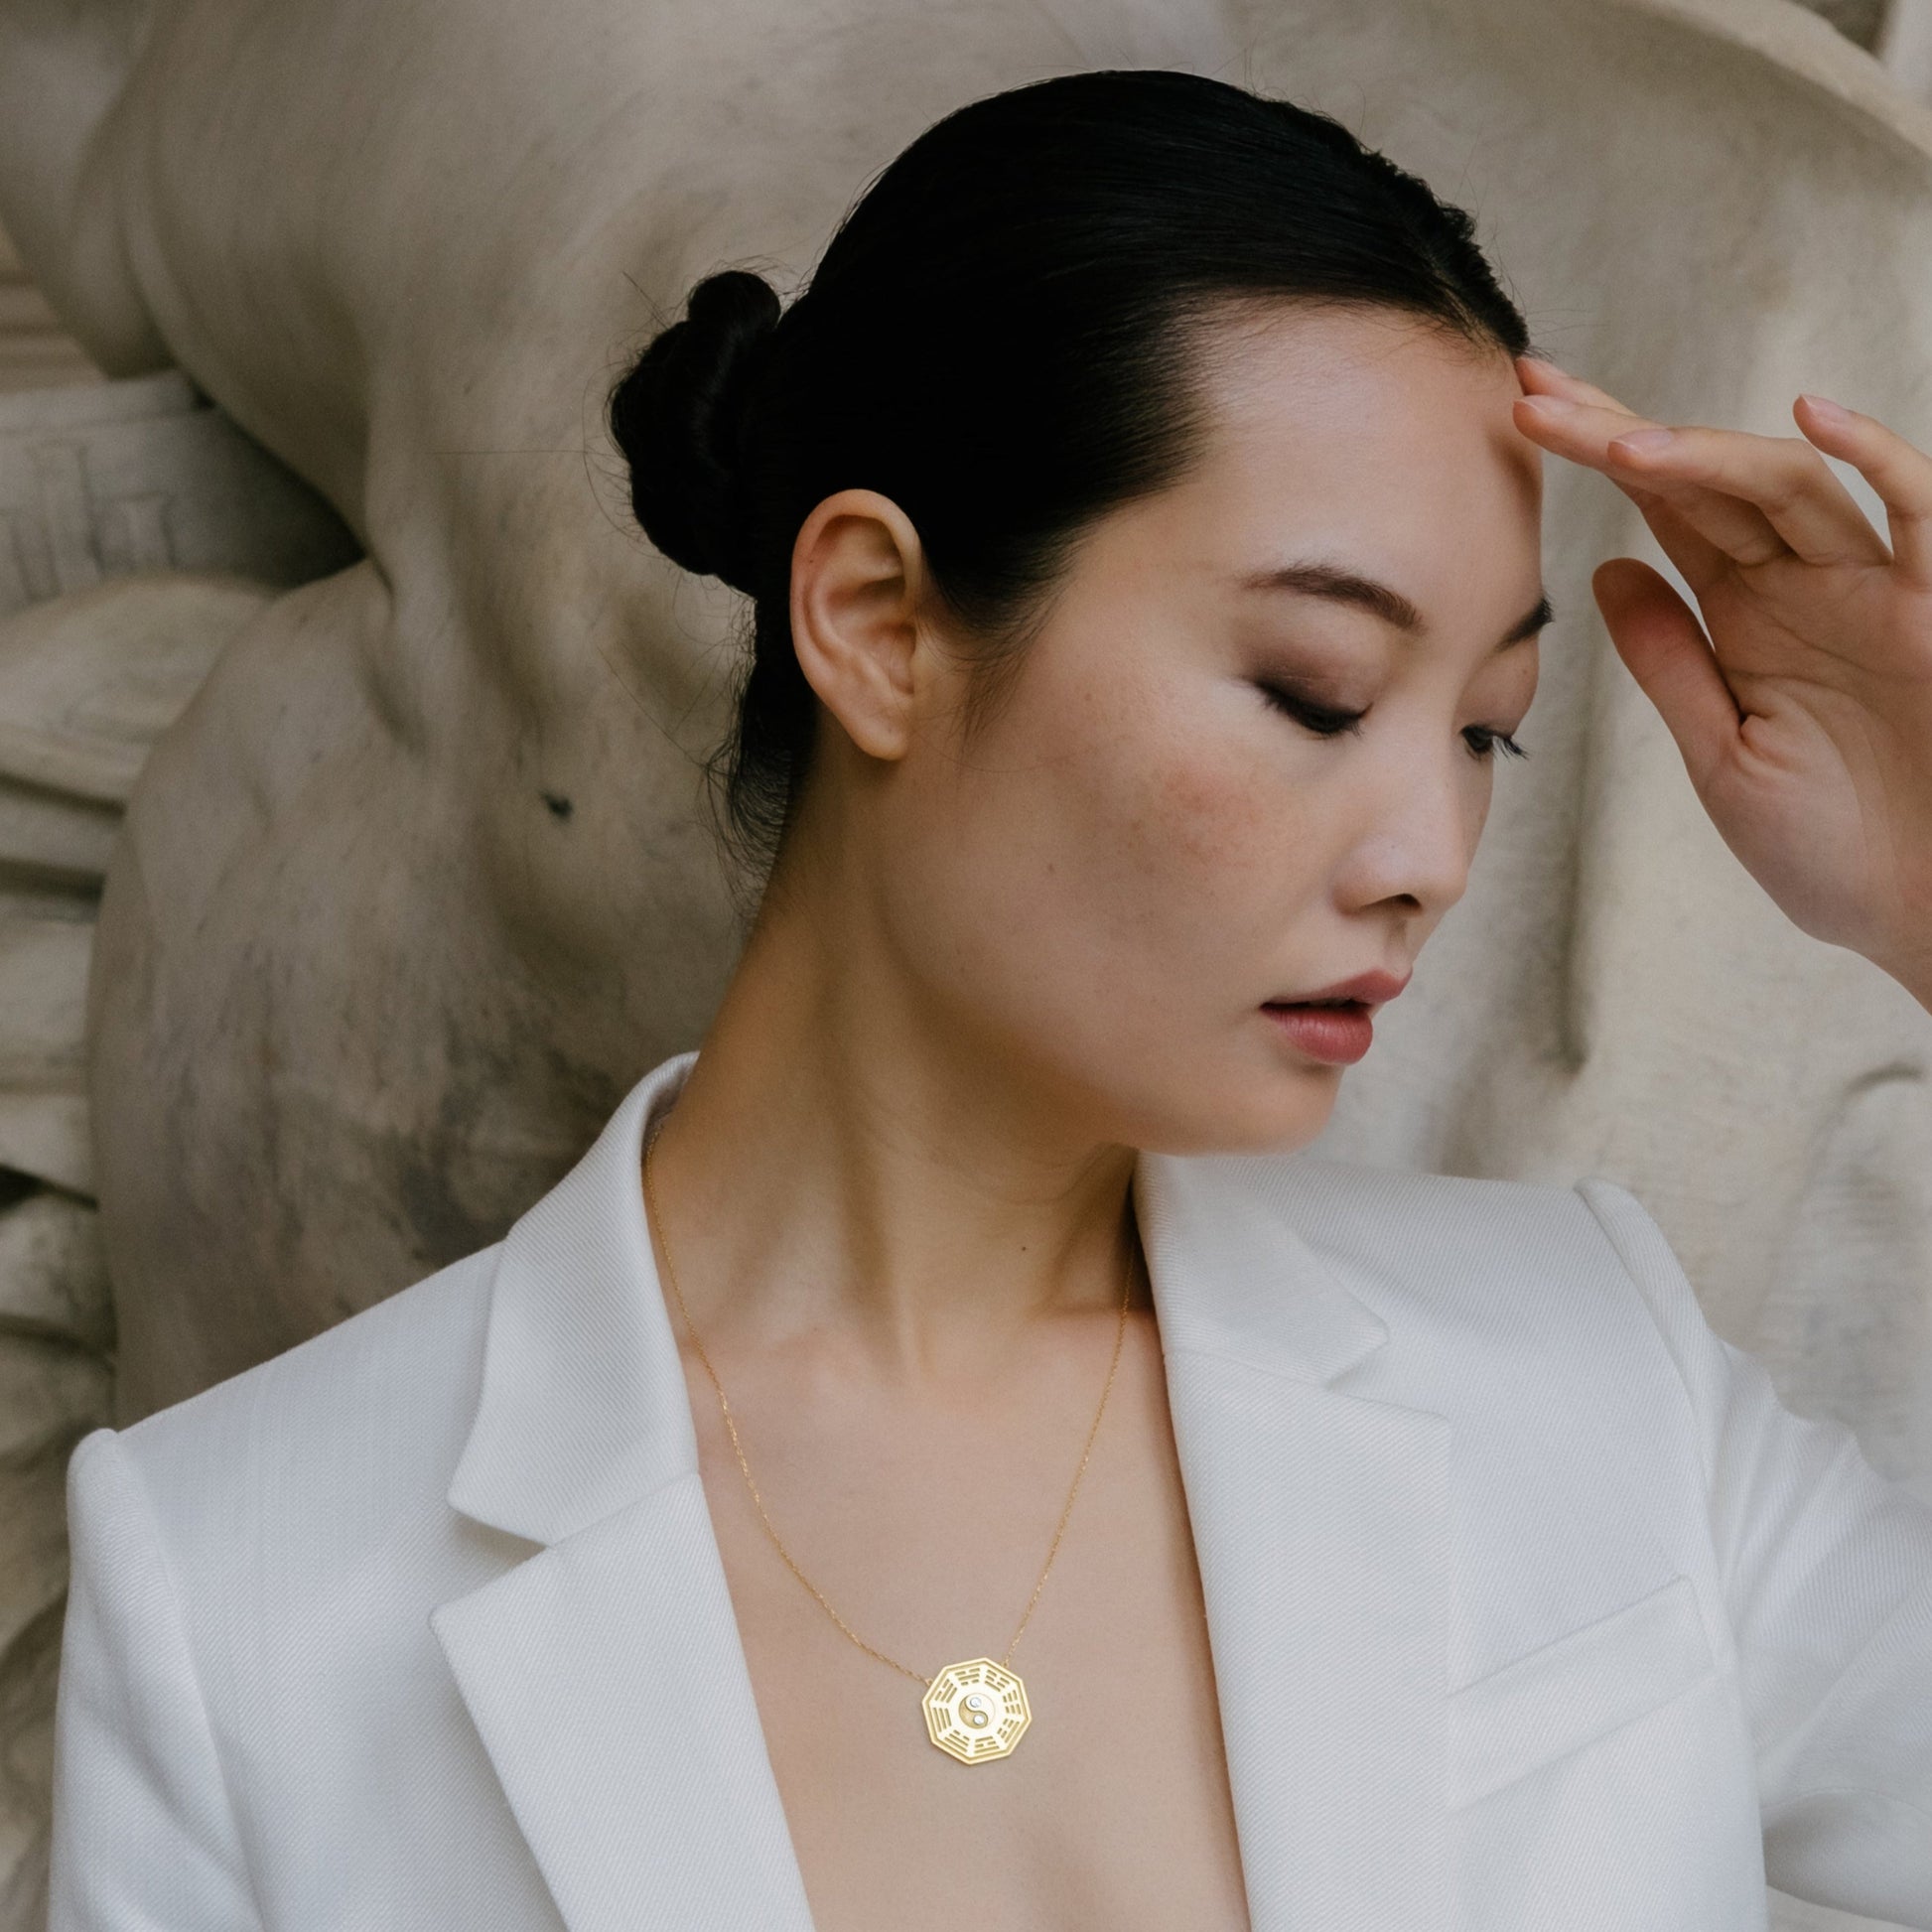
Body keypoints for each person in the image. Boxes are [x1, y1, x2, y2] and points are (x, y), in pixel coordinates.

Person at [45, 65, 1932, 1932]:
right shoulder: (243, 1589)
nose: (1428, 852)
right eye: (1316, 691)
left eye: (1484, 734)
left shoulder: (1591, 1379)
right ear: (876, 621)